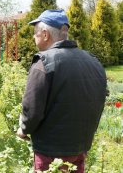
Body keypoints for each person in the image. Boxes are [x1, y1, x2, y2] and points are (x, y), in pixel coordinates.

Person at [16, 10, 107, 172]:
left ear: (45, 34)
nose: (33, 37)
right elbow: (98, 100)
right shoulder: (93, 62)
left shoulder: (43, 62)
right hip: (80, 149)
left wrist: (24, 128)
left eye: (35, 32)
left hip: (49, 153)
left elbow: (32, 109)